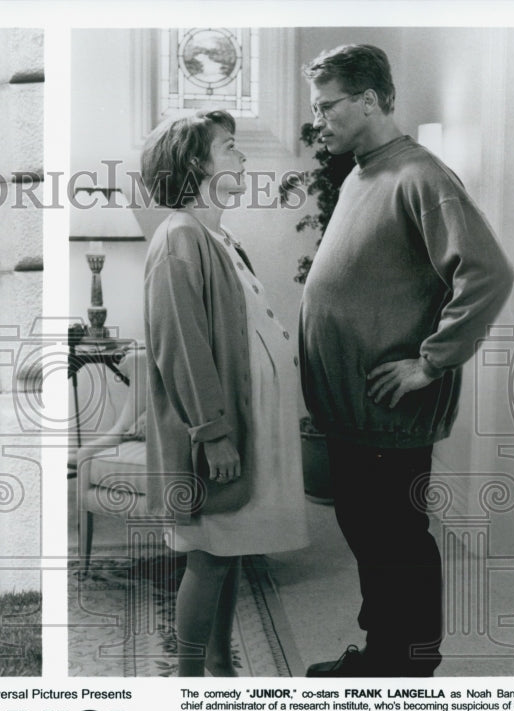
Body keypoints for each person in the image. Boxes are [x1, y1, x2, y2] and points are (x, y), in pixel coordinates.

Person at [299, 44, 514, 677]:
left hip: (390, 407)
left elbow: (488, 272)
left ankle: (408, 662)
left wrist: (431, 362)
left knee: (395, 537)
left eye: (327, 106)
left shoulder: (422, 175)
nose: (320, 121)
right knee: (371, 533)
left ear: (368, 100)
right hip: (353, 410)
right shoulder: (364, 171)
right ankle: (384, 648)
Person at [142, 109, 309, 677]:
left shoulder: (217, 235)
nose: (241, 158)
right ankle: (189, 681)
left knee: (231, 548)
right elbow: (182, 345)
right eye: (230, 148)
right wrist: (212, 433)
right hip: (215, 430)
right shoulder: (179, 238)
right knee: (210, 556)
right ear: (195, 163)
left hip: (247, 422)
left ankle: (218, 662)